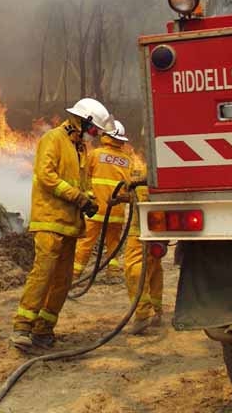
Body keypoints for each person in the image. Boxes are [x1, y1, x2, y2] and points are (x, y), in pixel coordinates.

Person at [10, 98, 115, 351]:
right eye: (94, 129)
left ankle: (43, 329)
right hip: (49, 219)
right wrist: (78, 198)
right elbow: (46, 176)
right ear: (83, 121)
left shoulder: (80, 148)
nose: (94, 135)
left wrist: (89, 200)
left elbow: (83, 184)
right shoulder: (53, 139)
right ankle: (22, 327)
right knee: (43, 274)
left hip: (70, 223)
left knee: (63, 281)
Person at [73, 120, 131, 282]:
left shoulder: (96, 155)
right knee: (114, 243)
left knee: (85, 242)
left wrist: (85, 194)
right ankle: (113, 273)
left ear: (106, 136)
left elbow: (84, 175)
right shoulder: (127, 160)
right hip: (117, 211)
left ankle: (74, 275)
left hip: (96, 209)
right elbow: (128, 186)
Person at [125, 162, 164, 335]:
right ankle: (156, 311)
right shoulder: (155, 161)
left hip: (140, 232)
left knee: (135, 269)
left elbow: (137, 190)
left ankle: (142, 314)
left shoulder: (137, 164)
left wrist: (136, 183)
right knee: (153, 267)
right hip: (159, 228)